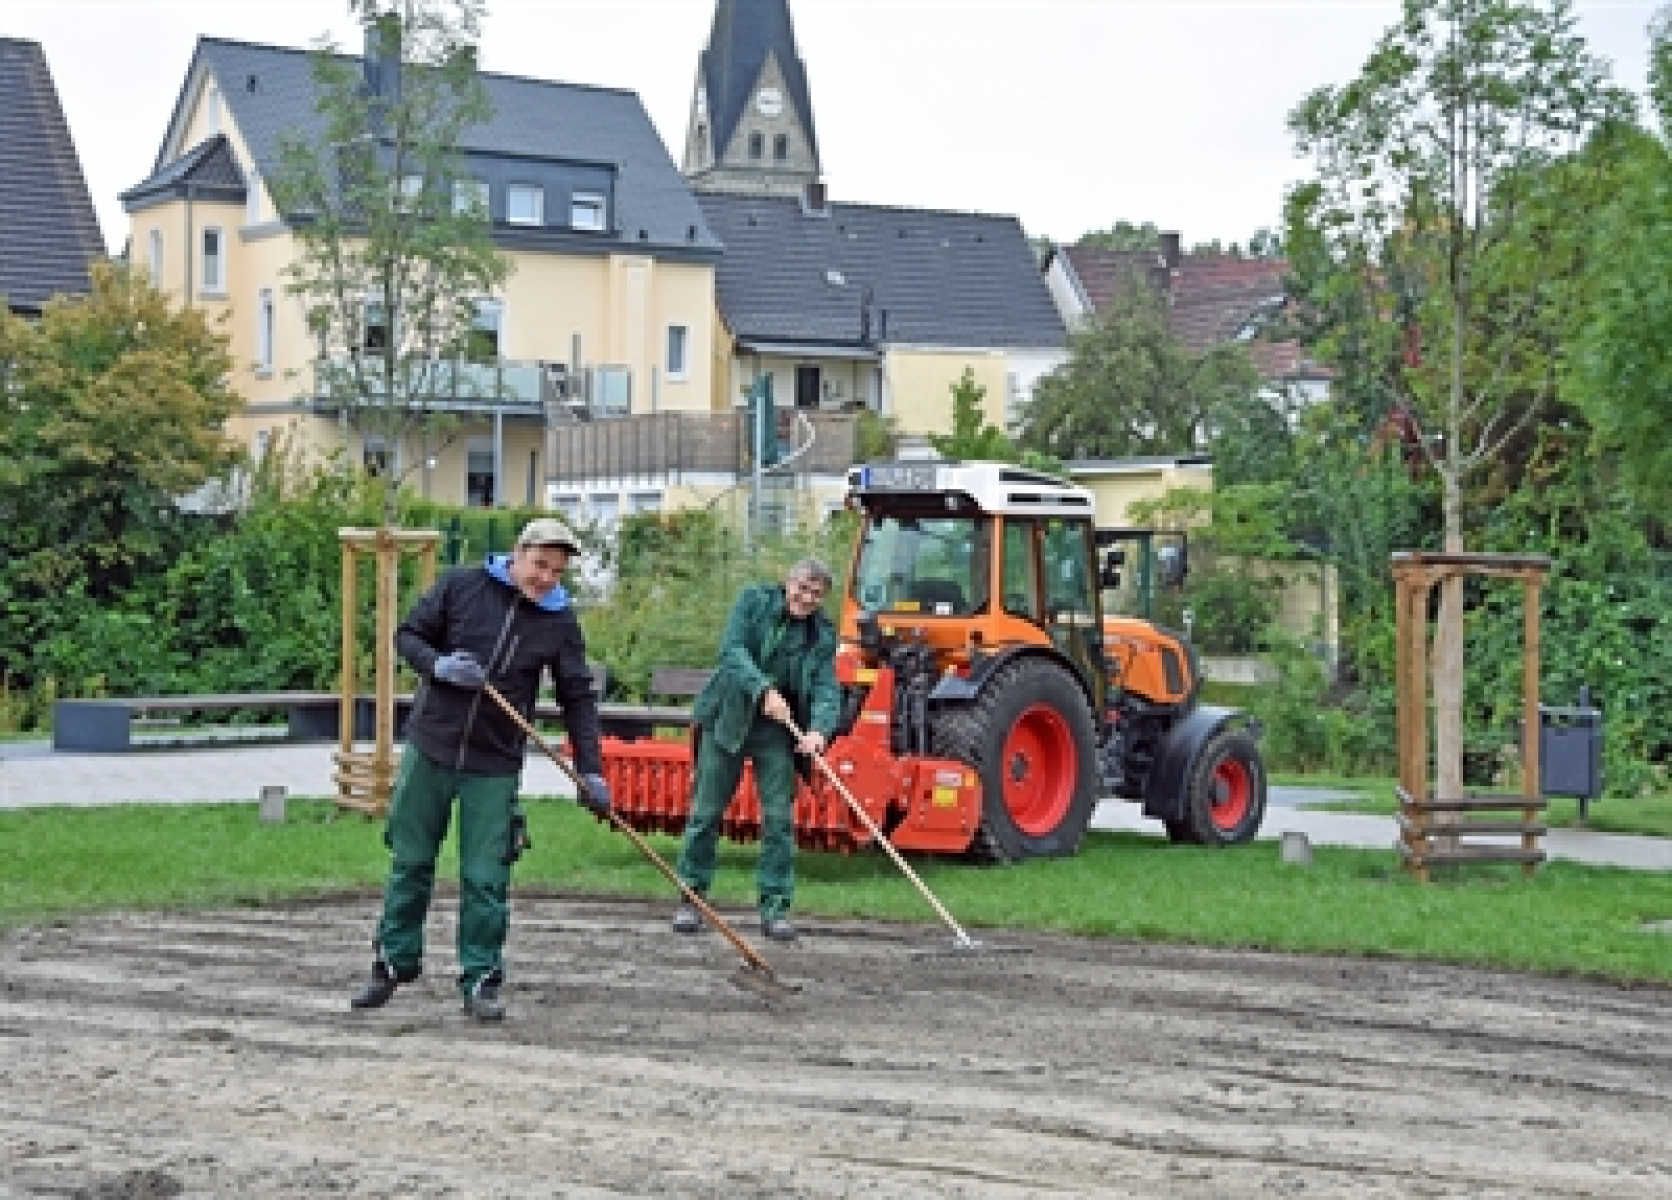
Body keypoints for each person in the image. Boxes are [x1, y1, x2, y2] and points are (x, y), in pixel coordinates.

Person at [349, 517, 610, 1022]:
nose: (545, 579)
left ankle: (481, 981)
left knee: (486, 877)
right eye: (540, 566)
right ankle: (392, 963)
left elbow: (579, 697)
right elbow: (409, 636)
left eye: (556, 572)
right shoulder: (461, 586)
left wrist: (591, 771)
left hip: (495, 761)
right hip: (432, 746)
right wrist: (441, 666)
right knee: (411, 860)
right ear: (519, 552)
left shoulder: (559, 622)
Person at [671, 559, 840, 942]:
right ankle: (691, 899)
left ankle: (775, 907)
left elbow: (828, 688)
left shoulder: (822, 635)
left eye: (817, 593)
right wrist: (762, 690)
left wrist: (817, 731)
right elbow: (731, 652)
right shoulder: (753, 602)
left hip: (777, 732)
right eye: (803, 588)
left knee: (780, 819)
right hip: (728, 719)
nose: (807, 598)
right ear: (788, 581)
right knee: (706, 813)